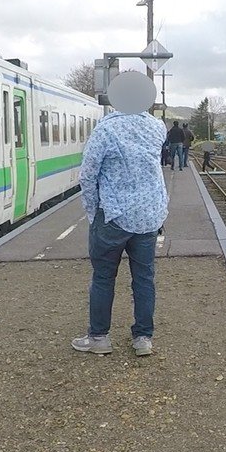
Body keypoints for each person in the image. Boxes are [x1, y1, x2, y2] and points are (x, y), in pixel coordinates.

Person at [72, 72, 168, 358]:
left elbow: (87, 175)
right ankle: (143, 339)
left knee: (104, 277)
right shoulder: (157, 127)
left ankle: (99, 338)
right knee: (144, 278)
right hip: (148, 216)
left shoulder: (106, 130)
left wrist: (93, 211)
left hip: (113, 216)